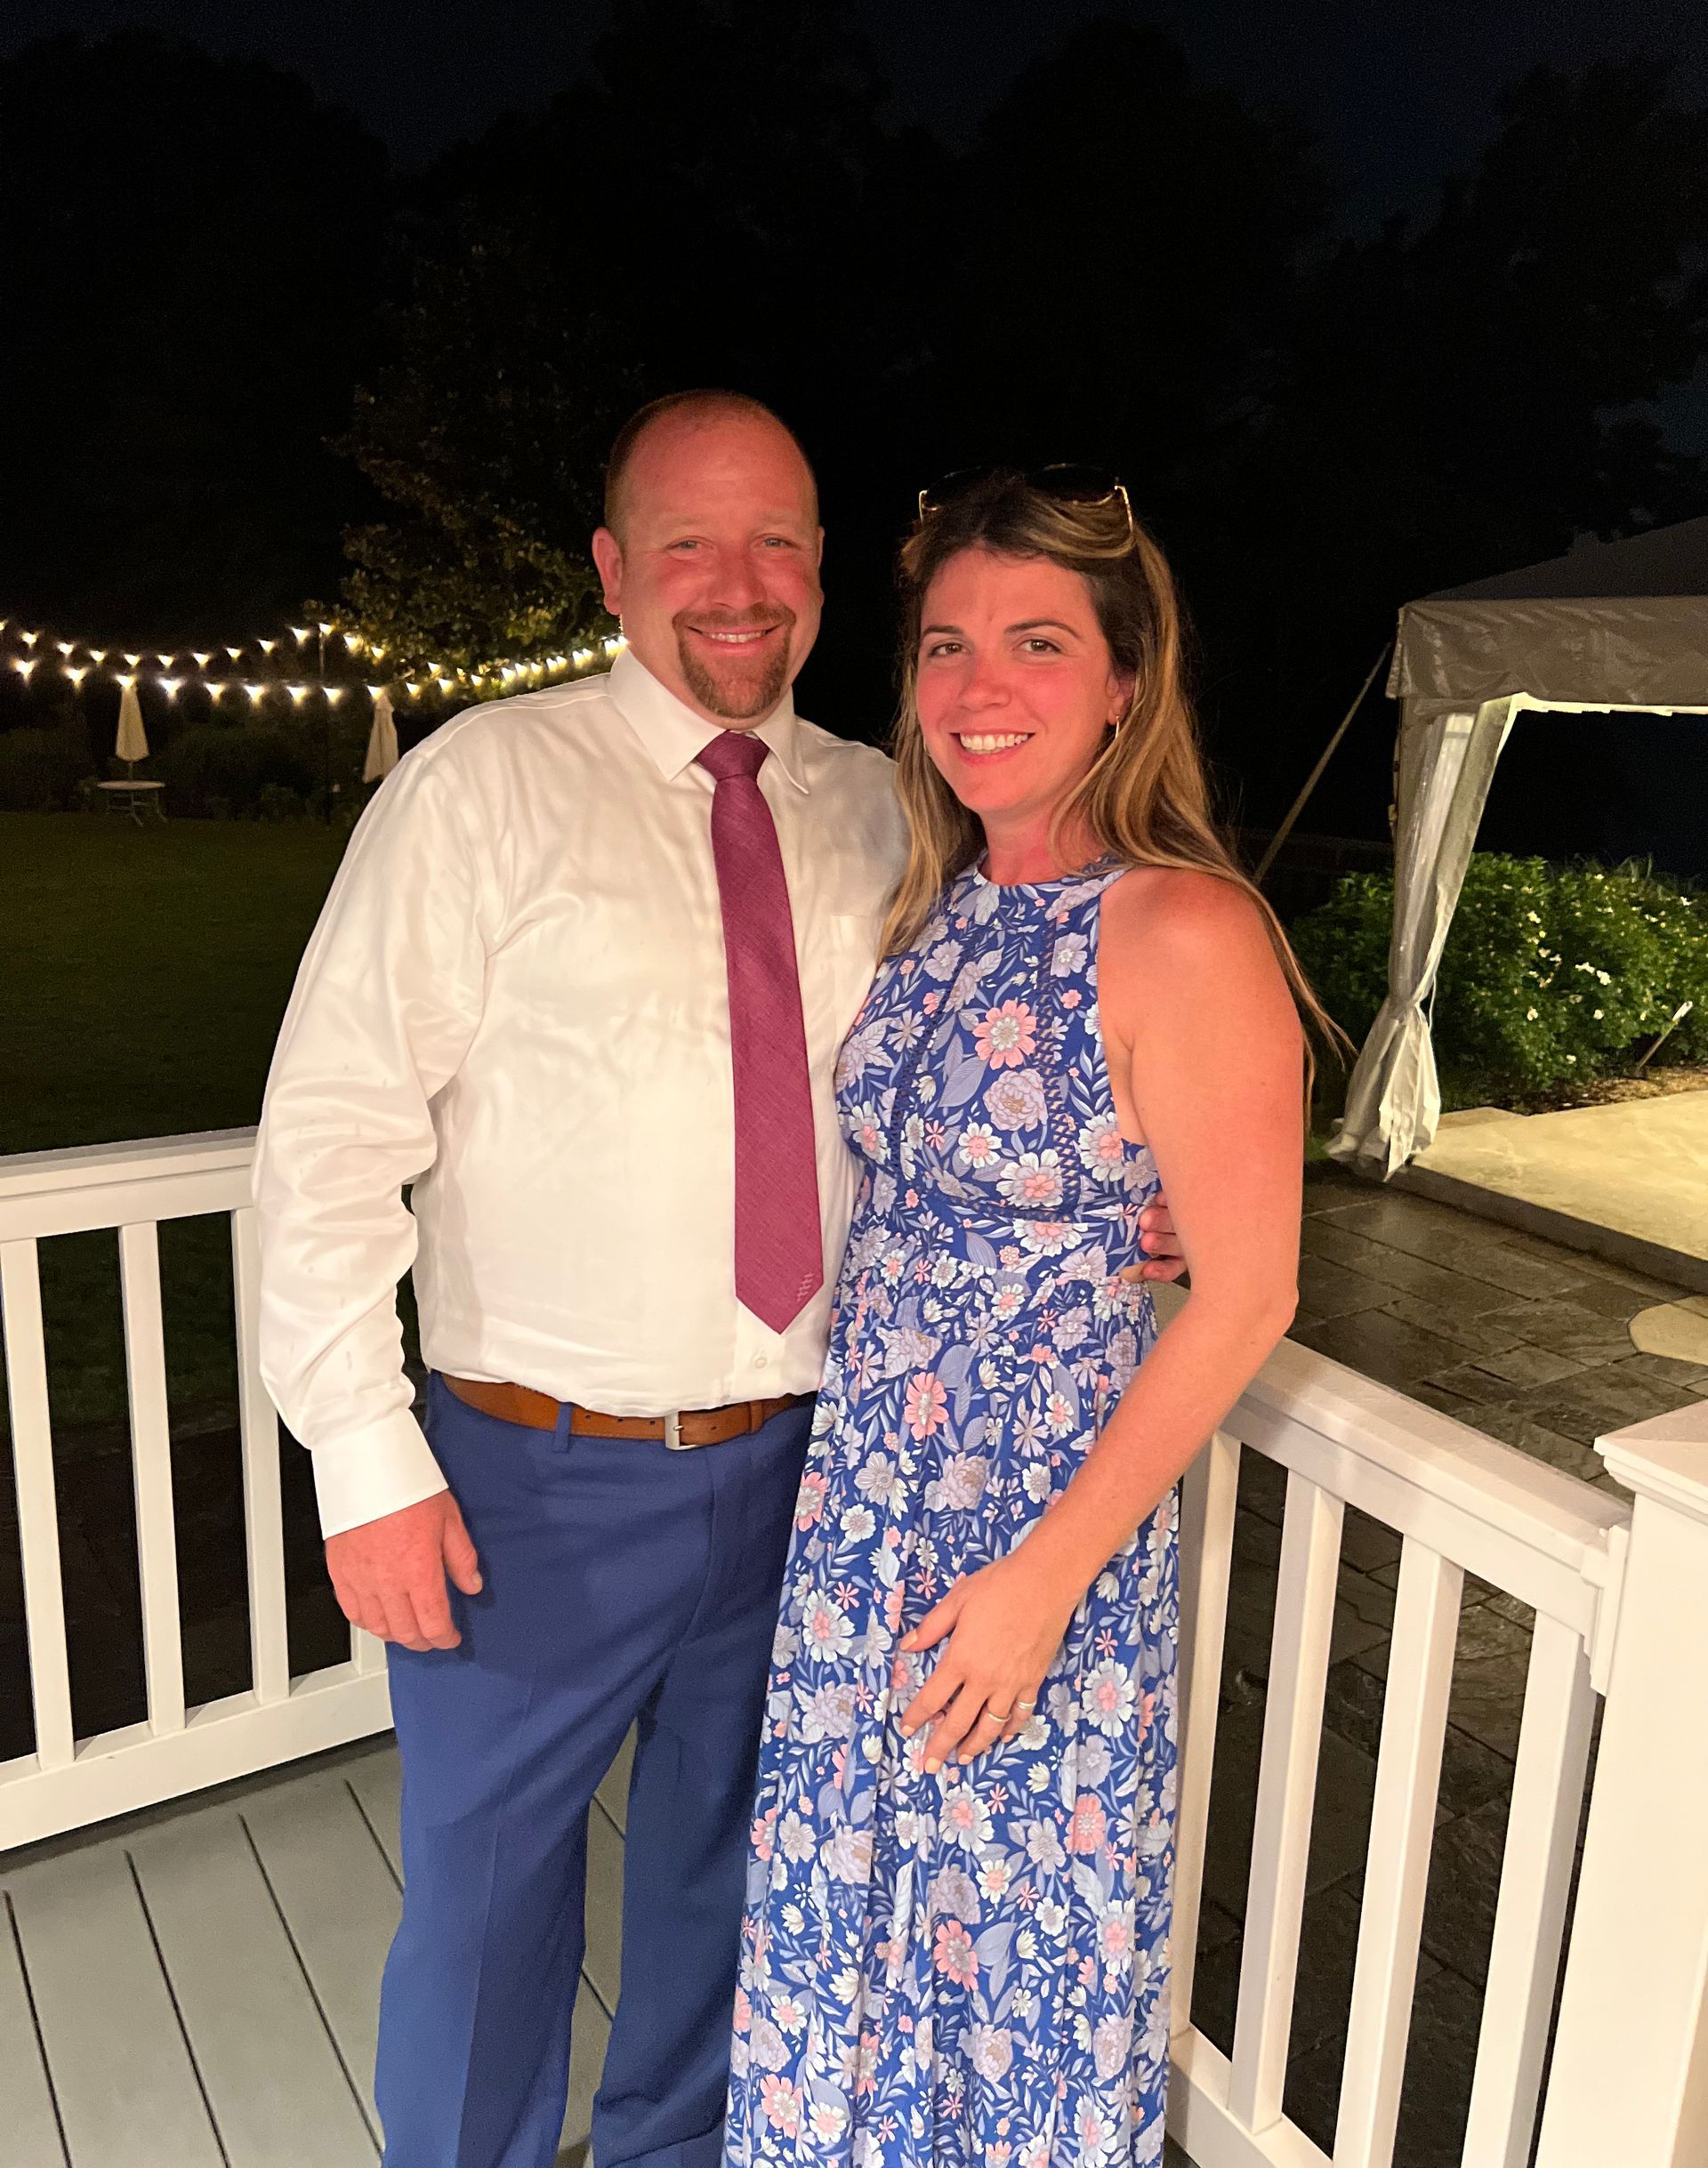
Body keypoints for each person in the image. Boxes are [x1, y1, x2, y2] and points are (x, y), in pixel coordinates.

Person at [253, 397, 1185, 2168]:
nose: (738, 586)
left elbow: (976, 1081)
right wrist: (365, 1455)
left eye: (780, 541)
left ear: (825, 570)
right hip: (530, 1475)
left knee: (725, 1878)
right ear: (613, 567)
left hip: (810, 1477)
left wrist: (1135, 1199)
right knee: (485, 1907)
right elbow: (323, 1138)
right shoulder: (481, 784)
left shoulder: (883, 805)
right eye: (690, 541)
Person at [725, 468, 1315, 2167]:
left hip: (1030, 1540)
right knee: (856, 1943)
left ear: (1127, 680)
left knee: (1010, 1975)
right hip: (869, 1524)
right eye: (946, 646)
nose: (981, 690)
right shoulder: (951, 906)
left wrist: (1039, 1585)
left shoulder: (1183, 925)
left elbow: (1251, 1285)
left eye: (1038, 644)